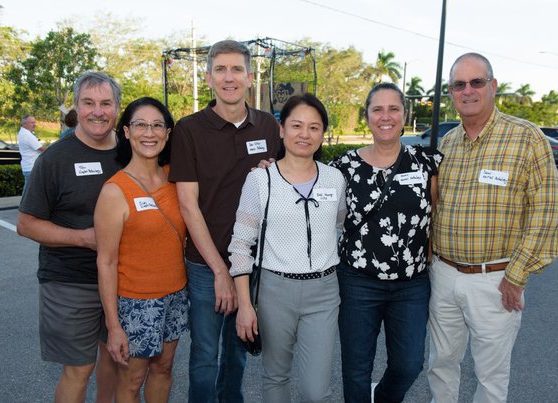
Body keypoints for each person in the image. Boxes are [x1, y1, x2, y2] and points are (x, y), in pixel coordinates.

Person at [427, 53, 558, 403]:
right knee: (440, 363)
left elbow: (548, 209)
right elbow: (435, 205)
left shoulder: (526, 137)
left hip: (496, 279)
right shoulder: (448, 144)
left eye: (476, 82)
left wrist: (517, 275)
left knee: (491, 375)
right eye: (459, 84)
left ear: (493, 86)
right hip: (443, 274)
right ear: (451, 92)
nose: (468, 90)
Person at [169, 39, 281, 403]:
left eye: (236, 70)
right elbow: (188, 205)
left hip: (253, 264)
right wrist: (220, 271)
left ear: (250, 78)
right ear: (209, 77)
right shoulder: (188, 130)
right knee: (204, 356)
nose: (229, 77)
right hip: (206, 265)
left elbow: (289, 182)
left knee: (238, 353)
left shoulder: (268, 127)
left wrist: (272, 176)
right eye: (221, 69)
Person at [229, 94, 346, 402]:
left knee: (315, 391)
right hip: (274, 290)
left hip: (323, 291)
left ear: (322, 134)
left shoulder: (335, 179)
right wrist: (244, 305)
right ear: (281, 130)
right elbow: (241, 244)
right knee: (275, 376)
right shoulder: (260, 180)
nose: (304, 134)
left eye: (313, 127)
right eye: (296, 125)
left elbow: (338, 225)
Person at [330, 82, 442, 403]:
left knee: (408, 365)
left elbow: (436, 216)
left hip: (411, 285)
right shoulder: (344, 167)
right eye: (377, 109)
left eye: (394, 108)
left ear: (405, 115)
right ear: (367, 116)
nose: (386, 116)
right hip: (357, 283)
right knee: (356, 369)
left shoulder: (427, 163)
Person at [17, 71, 122, 403]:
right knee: (79, 369)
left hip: (125, 279)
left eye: (106, 103)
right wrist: (84, 238)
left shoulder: (133, 150)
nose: (97, 111)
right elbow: (26, 223)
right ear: (76, 107)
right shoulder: (55, 159)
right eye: (88, 103)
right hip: (70, 282)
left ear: (117, 108)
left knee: (115, 361)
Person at [95, 97, 188, 402]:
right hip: (136, 303)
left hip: (175, 295)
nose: (149, 133)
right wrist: (113, 325)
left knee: (164, 368)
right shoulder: (114, 191)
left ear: (168, 132)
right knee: (132, 379)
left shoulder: (176, 178)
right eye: (140, 125)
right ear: (126, 131)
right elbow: (105, 262)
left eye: (157, 125)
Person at [17, 114, 46, 192]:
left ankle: (25, 204)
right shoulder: (27, 135)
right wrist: (55, 149)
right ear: (25, 124)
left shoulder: (24, 133)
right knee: (31, 192)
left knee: (28, 191)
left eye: (34, 122)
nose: (34, 124)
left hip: (29, 167)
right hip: (32, 167)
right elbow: (41, 149)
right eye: (32, 123)